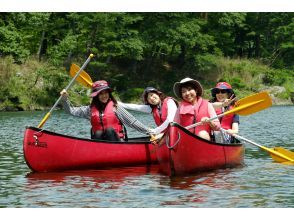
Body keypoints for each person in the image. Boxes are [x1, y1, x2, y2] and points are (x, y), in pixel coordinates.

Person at [60, 80, 151, 141]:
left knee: (109, 130)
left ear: (109, 93)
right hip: (100, 145)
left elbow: (132, 122)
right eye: (101, 94)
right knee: (98, 133)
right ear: (96, 96)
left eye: (106, 93)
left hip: (117, 143)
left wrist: (150, 132)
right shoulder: (89, 109)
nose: (104, 96)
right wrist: (64, 100)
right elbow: (70, 111)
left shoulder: (116, 107)